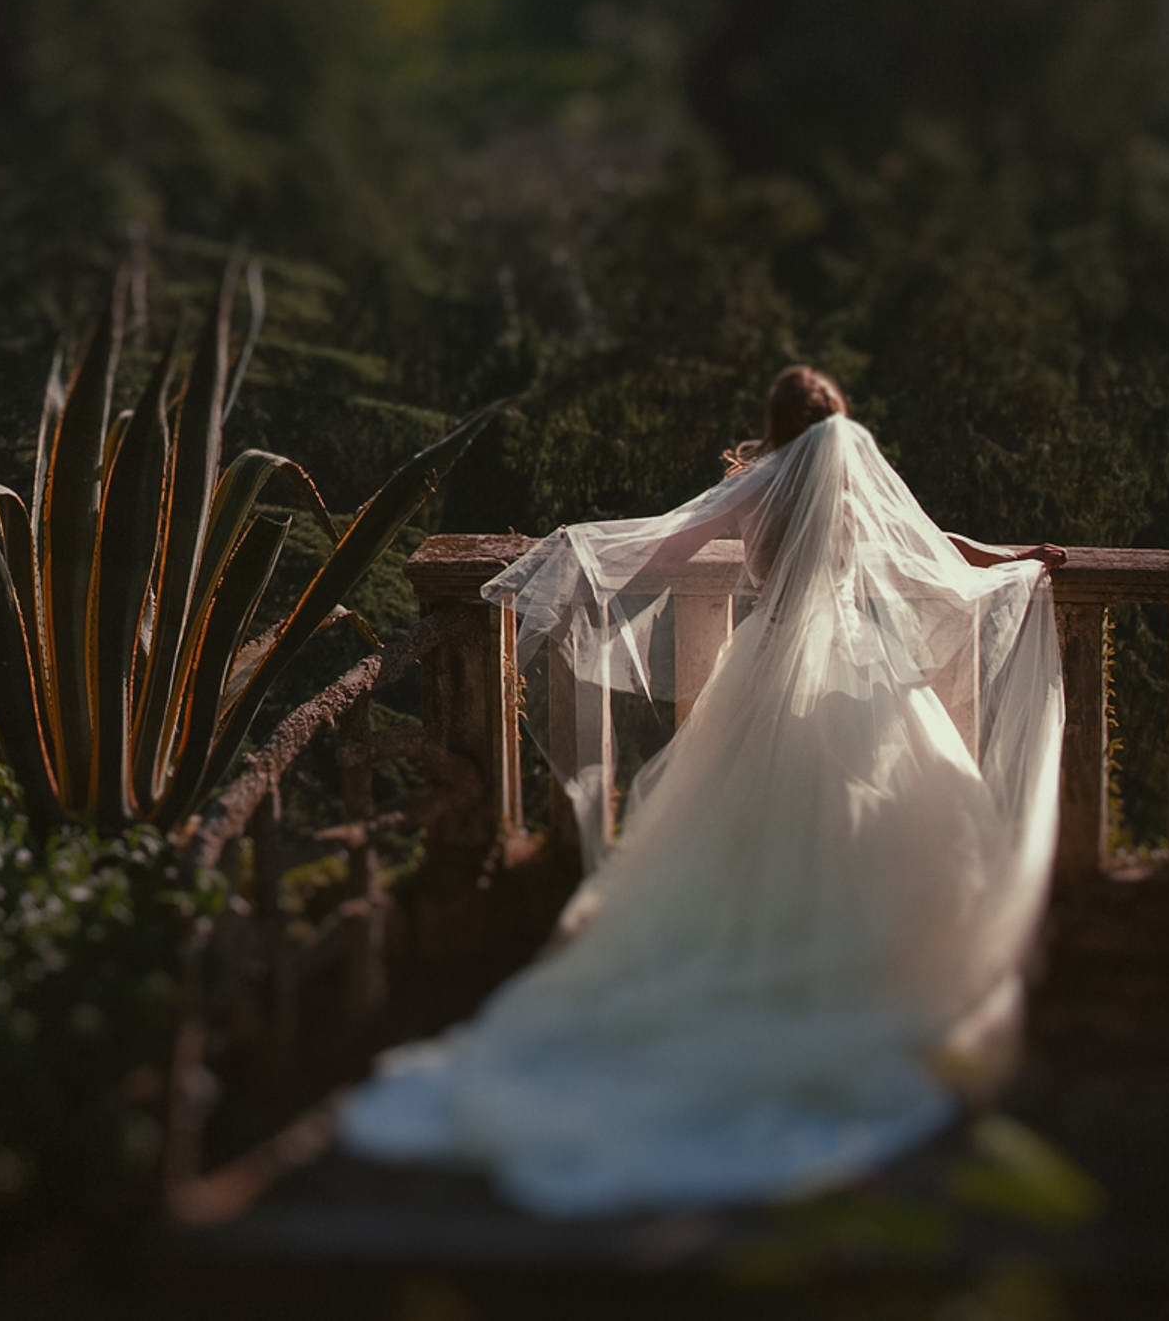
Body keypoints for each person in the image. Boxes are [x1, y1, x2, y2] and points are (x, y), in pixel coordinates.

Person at [339, 365, 1066, 1215]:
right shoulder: (851, 467)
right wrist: (1014, 560)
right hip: (854, 668)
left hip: (766, 663)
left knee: (745, 828)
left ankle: (756, 971)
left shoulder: (756, 482)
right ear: (840, 419)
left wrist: (575, 553)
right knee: (860, 820)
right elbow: (933, 549)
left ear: (775, 422)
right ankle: (841, 981)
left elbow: (667, 547)